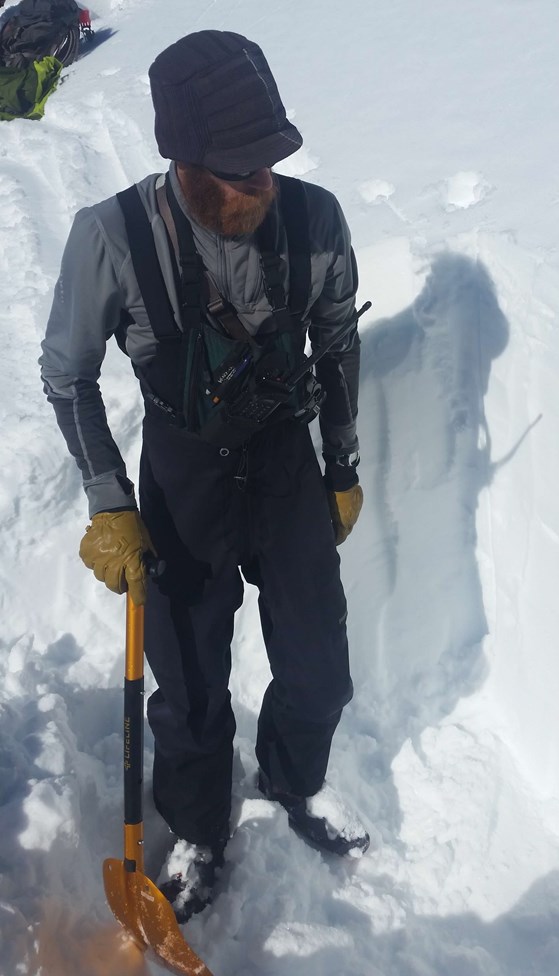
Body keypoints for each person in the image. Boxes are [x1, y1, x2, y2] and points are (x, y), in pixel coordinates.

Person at [39, 29, 369, 922]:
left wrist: (340, 465)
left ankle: (293, 780)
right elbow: (66, 374)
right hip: (183, 473)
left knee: (321, 670)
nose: (261, 183)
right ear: (180, 160)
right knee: (188, 685)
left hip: (286, 466)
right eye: (237, 170)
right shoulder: (109, 237)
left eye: (269, 160)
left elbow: (337, 340)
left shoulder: (316, 218)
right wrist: (112, 503)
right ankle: (196, 828)